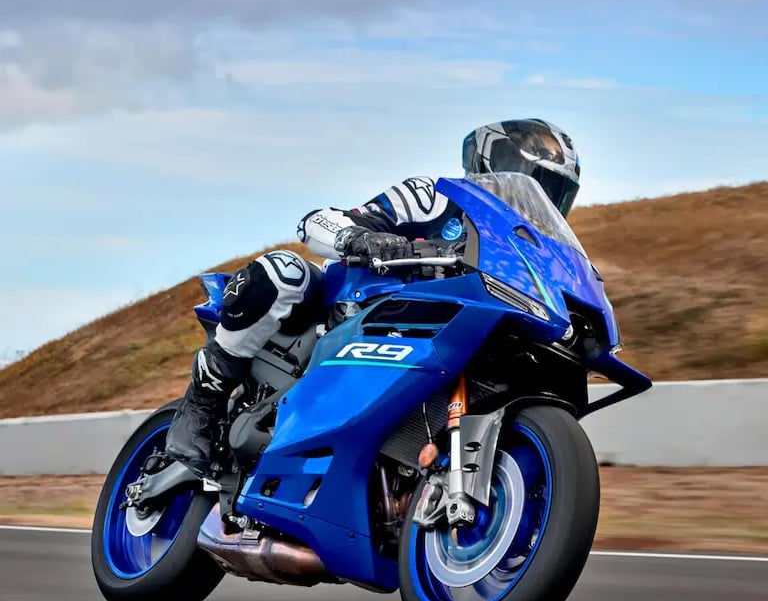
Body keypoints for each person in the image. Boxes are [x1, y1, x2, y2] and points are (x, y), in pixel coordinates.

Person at [165, 118, 581, 473]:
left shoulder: (528, 254)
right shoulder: (437, 198)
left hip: (444, 337)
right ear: (495, 163)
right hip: (352, 310)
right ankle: (203, 402)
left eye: (555, 190)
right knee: (284, 271)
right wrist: (360, 238)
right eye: (537, 181)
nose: (543, 196)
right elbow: (323, 221)